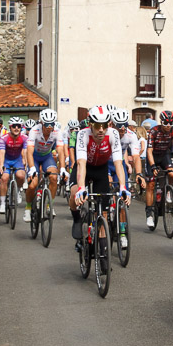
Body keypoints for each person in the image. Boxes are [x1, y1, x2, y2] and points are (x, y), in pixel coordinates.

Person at [70, 105, 131, 251]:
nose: (101, 130)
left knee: (102, 210)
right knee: (73, 194)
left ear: (109, 124)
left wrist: (123, 187)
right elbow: (81, 164)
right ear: (91, 124)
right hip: (85, 168)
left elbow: (118, 163)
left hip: (101, 169)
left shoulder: (113, 134)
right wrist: (80, 188)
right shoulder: (82, 135)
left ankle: (103, 246)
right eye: (97, 126)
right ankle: (77, 219)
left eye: (104, 125)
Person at [25, 108, 68, 223]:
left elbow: (60, 151)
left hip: (46, 157)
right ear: (42, 123)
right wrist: (32, 168)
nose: (50, 127)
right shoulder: (34, 131)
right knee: (32, 185)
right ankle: (28, 208)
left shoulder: (57, 132)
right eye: (47, 124)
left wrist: (63, 168)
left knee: (54, 177)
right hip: (34, 157)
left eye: (52, 124)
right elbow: (29, 151)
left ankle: (49, 205)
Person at [144, 110, 173, 231]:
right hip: (153, 156)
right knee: (150, 184)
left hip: (164, 155)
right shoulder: (153, 131)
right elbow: (149, 151)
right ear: (161, 122)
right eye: (165, 123)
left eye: (170, 123)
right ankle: (150, 214)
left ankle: (168, 191)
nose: (167, 126)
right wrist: (152, 166)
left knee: (171, 173)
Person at [0, 118, 28, 214]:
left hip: (17, 160)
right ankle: (2, 203)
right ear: (10, 127)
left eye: (18, 126)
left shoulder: (24, 138)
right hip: (7, 160)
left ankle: (18, 190)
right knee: (4, 178)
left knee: (21, 176)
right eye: (14, 126)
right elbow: (2, 152)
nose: (16, 128)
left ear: (21, 128)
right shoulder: (4, 138)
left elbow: (25, 152)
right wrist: (1, 165)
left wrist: (26, 162)